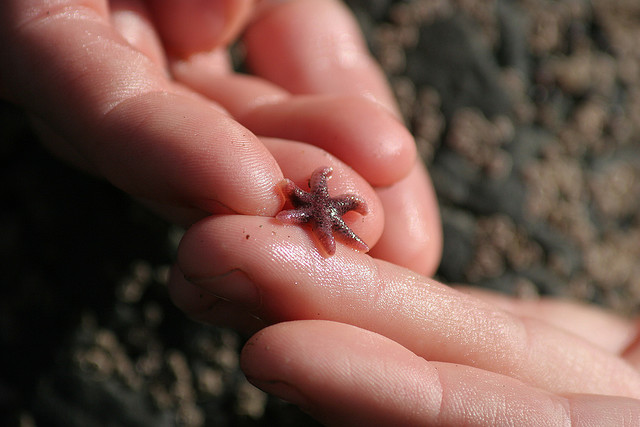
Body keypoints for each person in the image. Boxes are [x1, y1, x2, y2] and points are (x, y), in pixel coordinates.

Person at [3, 0, 639, 424]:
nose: (319, 211)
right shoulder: (312, 202)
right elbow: (314, 203)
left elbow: (329, 206)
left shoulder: (322, 205)